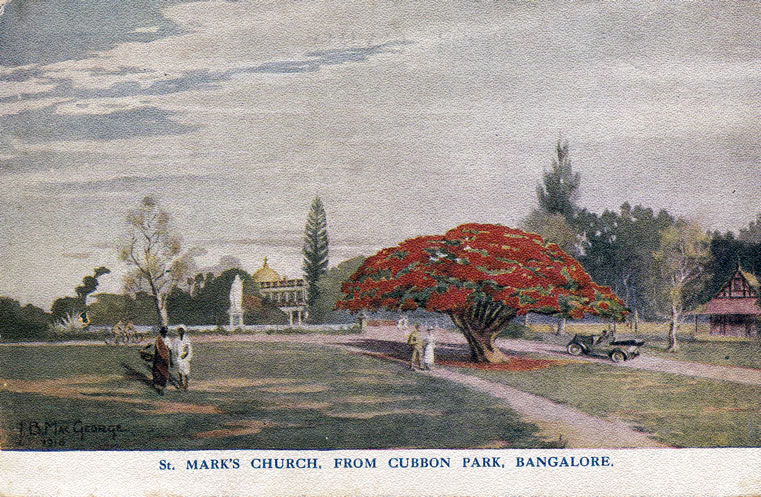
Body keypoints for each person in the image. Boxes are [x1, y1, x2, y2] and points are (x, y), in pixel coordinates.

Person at [151, 326, 171, 395]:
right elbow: (154, 348)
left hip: (164, 359)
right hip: (158, 359)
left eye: (165, 332)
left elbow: (170, 350)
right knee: (157, 373)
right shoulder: (158, 339)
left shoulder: (168, 339)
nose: (164, 333)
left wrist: (170, 360)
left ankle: (161, 388)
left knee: (164, 374)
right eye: (163, 332)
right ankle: (158, 387)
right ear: (161, 332)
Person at [172, 327, 193, 391]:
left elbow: (189, 349)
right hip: (179, 358)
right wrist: (176, 357)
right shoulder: (176, 340)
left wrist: (189, 357)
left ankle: (186, 385)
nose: (180, 332)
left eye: (182, 331)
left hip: (186, 358)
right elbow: (174, 349)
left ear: (184, 331)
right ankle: (181, 383)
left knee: (186, 372)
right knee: (180, 371)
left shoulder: (187, 339)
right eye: (179, 331)